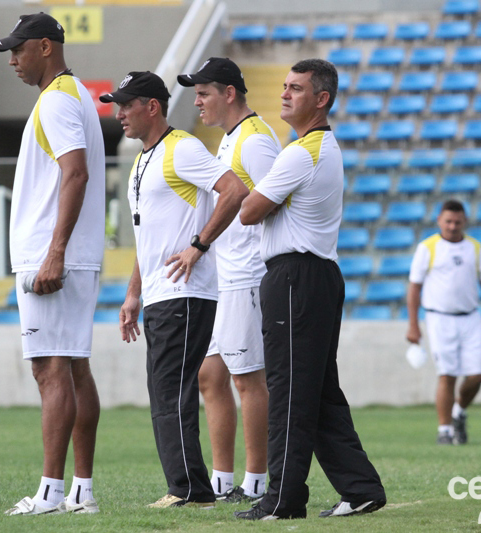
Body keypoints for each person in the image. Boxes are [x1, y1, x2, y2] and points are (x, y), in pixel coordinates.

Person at [235, 59, 387, 520]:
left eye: (296, 88)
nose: (284, 94)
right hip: (315, 277)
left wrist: (261, 195)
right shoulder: (322, 147)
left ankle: (282, 499)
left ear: (321, 99)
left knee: (289, 391)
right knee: (318, 392)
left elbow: (248, 211)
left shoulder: (301, 153)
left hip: (295, 278)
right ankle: (360, 488)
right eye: (284, 86)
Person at [99, 71, 249, 508]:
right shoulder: (142, 161)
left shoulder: (182, 148)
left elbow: (234, 190)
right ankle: (188, 487)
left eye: (126, 104)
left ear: (152, 107)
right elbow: (148, 238)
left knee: (171, 391)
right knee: (165, 390)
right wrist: (133, 294)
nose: (119, 113)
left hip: (185, 292)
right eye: (116, 105)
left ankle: (189, 490)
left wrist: (198, 246)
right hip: (160, 295)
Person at [0, 12, 104, 516]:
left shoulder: (57, 99)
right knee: (74, 366)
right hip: (70, 254)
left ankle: (51, 494)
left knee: (49, 368)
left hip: (53, 256)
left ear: (44, 46)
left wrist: (55, 251)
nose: (12, 60)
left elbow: (74, 174)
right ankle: (81, 491)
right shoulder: (73, 93)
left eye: (18, 50)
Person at [176, 57, 280, 504]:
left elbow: (278, 201)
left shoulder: (256, 140)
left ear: (229, 93)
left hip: (249, 276)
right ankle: (221, 480)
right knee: (209, 375)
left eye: (203, 93)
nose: (197, 102)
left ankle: (256, 480)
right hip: (226, 276)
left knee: (248, 379)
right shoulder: (231, 138)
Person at [406, 199, 481, 445]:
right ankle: (444, 430)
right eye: (448, 221)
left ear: (465, 222)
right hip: (439, 318)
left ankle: (459, 411)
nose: (452, 226)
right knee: (447, 375)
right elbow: (414, 287)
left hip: (470, 317)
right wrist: (413, 324)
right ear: (439, 221)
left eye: (457, 222)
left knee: (477, 375)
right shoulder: (427, 248)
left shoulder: (474, 247)